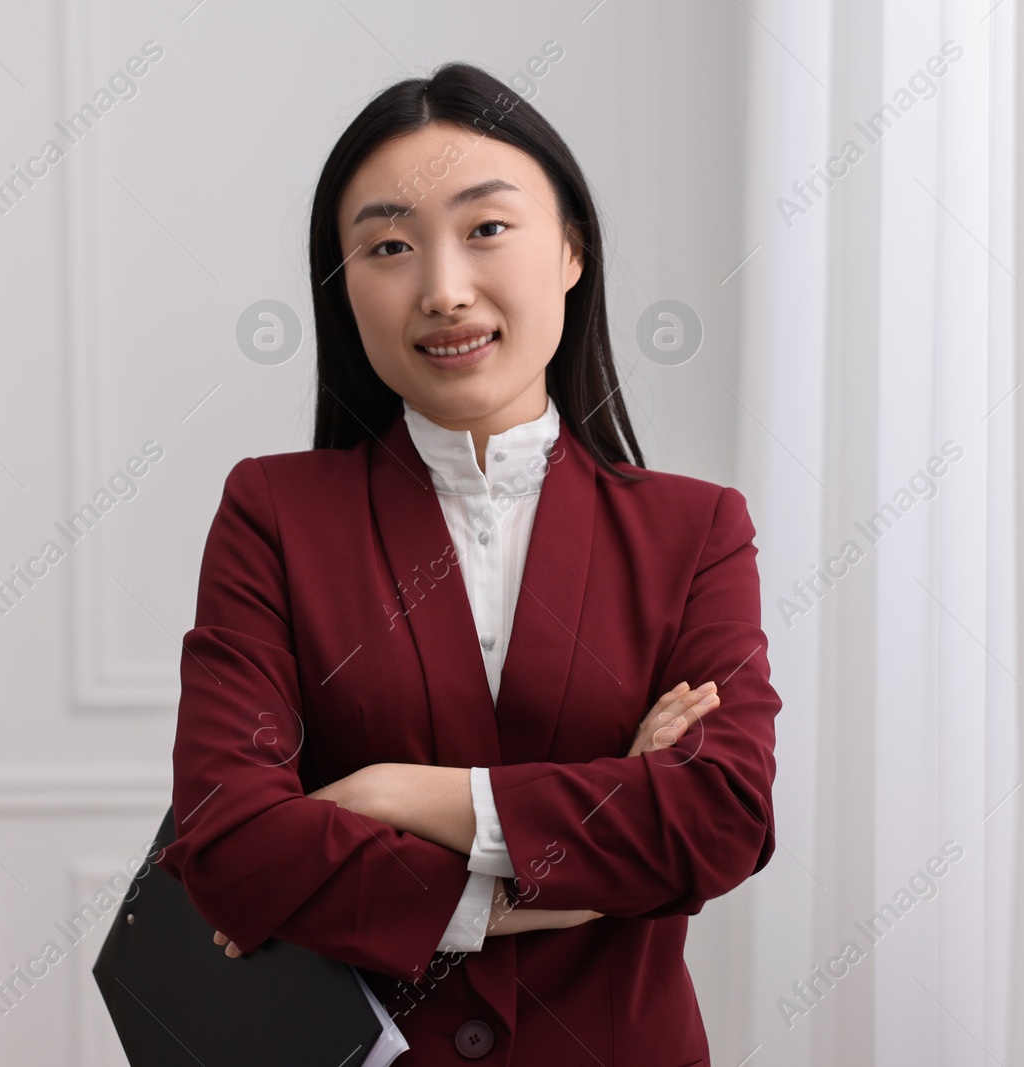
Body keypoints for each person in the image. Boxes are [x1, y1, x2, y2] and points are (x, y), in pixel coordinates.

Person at [155, 61, 781, 1066]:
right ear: (344, 283)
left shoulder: (694, 531)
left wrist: (388, 793)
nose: (443, 289)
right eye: (390, 245)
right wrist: (542, 878)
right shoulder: (273, 514)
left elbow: (718, 820)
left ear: (572, 248)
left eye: (486, 228)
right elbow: (227, 843)